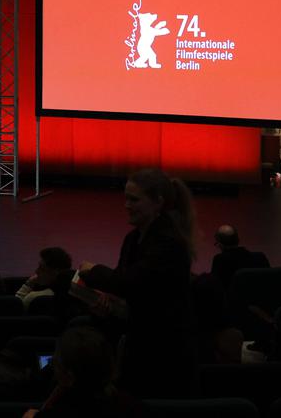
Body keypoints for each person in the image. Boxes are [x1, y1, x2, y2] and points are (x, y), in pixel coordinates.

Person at [79, 168, 198, 399]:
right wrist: (107, 303)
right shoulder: (134, 238)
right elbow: (129, 285)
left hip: (165, 353)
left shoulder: (169, 243)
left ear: (158, 202)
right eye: (126, 198)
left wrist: (93, 271)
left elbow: (129, 282)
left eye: (134, 199)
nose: (126, 205)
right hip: (144, 343)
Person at [210, 224, 270, 290]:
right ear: (238, 239)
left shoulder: (219, 261)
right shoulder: (260, 257)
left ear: (220, 245)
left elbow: (215, 288)